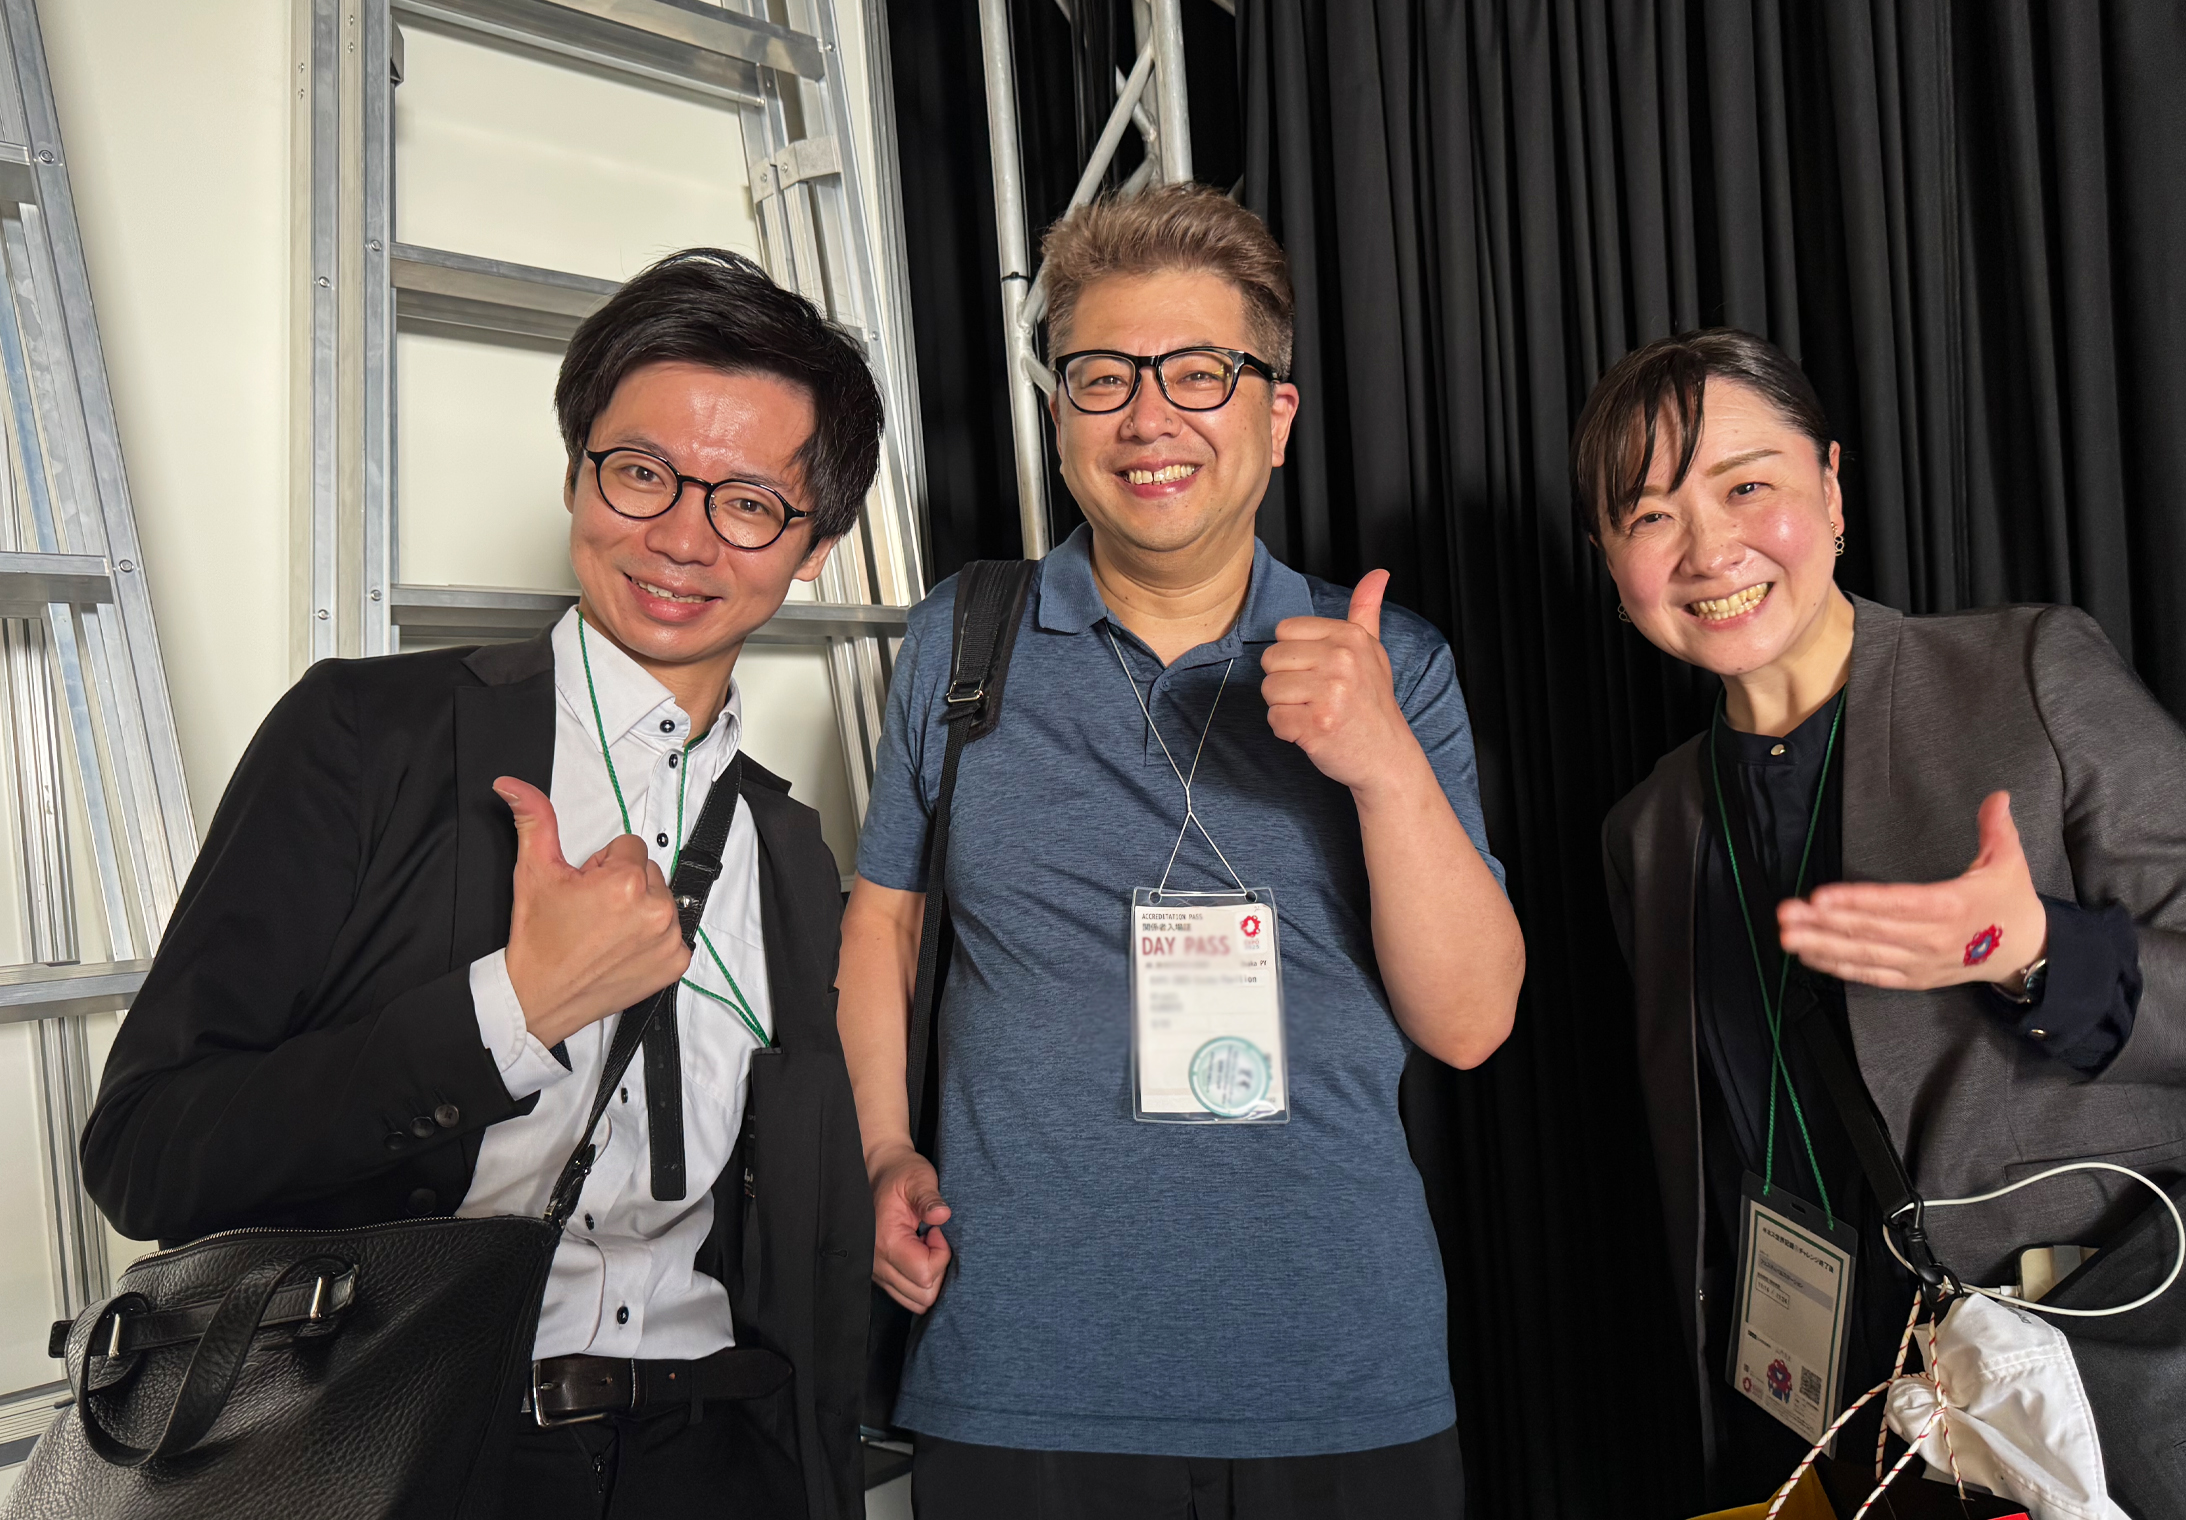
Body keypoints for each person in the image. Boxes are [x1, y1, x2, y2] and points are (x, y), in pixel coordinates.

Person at [81, 249, 875, 1520]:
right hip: (407, 1453)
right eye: (640, 472)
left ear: (815, 545)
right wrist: (512, 1008)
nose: (680, 535)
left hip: (714, 1455)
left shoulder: (788, 846)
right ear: (575, 473)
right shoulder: (367, 736)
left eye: (747, 503)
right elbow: (145, 1152)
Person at [836, 185, 1525, 1516]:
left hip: (1338, 1365)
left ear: (1276, 416)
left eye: (1200, 373)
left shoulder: (1391, 663)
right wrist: (879, 1150)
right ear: (1059, 417)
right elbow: (885, 918)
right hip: (1021, 1362)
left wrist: (1381, 759)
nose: (1148, 418)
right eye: (1102, 376)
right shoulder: (962, 639)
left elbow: (1471, 1023)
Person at [1586, 327, 2186, 1508]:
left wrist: (2038, 954)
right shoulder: (1648, 829)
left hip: (2113, 1389)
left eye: (1745, 486)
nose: (1706, 548)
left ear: (1831, 490)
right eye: (1648, 515)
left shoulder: (2027, 674)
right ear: (1610, 563)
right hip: (1851, 1424)